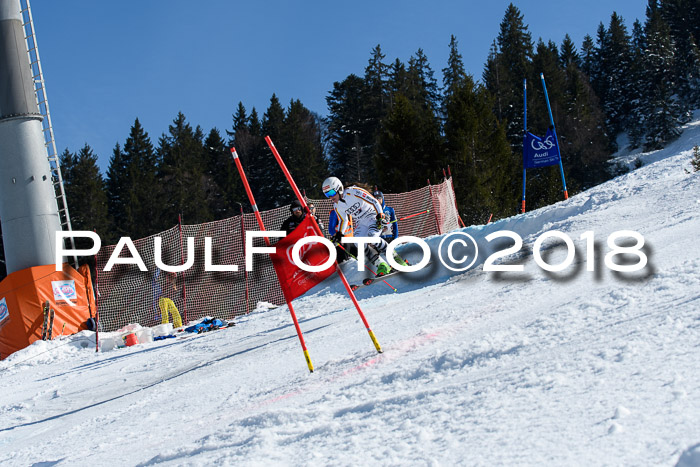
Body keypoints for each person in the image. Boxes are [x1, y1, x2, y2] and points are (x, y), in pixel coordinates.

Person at [322, 177, 406, 275]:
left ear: (339, 188)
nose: (330, 197)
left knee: (372, 238)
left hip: (372, 216)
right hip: (361, 222)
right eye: (327, 194)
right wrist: (340, 233)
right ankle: (381, 265)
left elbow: (374, 201)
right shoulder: (337, 206)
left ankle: (396, 259)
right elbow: (343, 220)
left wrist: (380, 215)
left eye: (331, 193)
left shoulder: (353, 192)